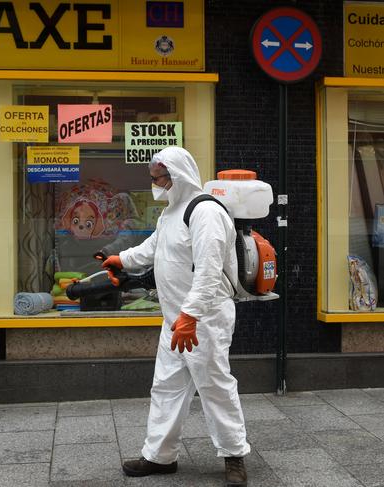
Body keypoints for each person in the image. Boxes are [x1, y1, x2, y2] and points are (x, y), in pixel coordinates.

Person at [101, 147, 250, 487]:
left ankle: (234, 455)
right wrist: (121, 260)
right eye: (153, 178)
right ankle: (159, 456)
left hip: (203, 321)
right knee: (166, 387)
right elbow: (153, 248)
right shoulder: (172, 212)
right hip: (176, 320)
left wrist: (191, 315)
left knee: (214, 386)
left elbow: (210, 271)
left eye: (159, 178)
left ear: (178, 175)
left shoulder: (205, 212)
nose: (155, 184)